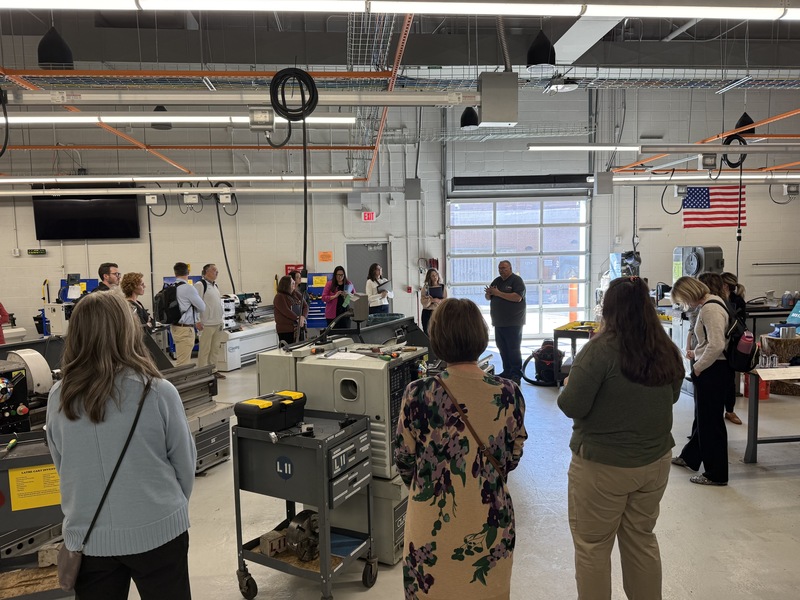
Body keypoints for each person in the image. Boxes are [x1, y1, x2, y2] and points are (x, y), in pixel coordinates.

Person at [45, 291, 196, 600]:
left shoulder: (59, 397)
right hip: (158, 529)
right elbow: (184, 464)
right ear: (128, 329)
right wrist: (165, 506)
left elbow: (62, 463)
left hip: (89, 538)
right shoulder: (156, 391)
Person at [557, 276, 685, 600]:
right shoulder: (665, 348)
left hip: (603, 465)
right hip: (655, 461)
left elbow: (572, 405)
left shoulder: (598, 350)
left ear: (609, 309)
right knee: (641, 539)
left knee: (592, 547)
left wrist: (572, 380)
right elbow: (670, 397)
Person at [395, 298, 527, 600]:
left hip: (431, 523)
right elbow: (512, 455)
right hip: (490, 520)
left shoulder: (418, 394)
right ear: (480, 334)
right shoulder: (509, 393)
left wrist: (430, 481)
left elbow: (404, 459)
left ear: (437, 338)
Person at [670, 276, 732, 486]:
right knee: (703, 419)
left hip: (713, 369)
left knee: (711, 423)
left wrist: (697, 367)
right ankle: (691, 457)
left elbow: (716, 345)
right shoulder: (711, 303)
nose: (685, 304)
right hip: (710, 367)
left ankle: (716, 473)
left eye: (683, 299)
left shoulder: (710, 309)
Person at [698, 272, 741, 425]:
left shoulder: (713, 308)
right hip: (717, 361)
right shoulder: (716, 304)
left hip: (716, 363)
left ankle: (729, 411)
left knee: (711, 417)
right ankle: (698, 443)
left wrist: (698, 367)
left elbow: (716, 344)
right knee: (705, 415)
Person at [484, 260, 526, 384]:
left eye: (504, 268)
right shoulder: (497, 281)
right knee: (502, 348)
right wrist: (489, 293)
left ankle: (516, 374)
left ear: (510, 268)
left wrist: (498, 293)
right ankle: (506, 371)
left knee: (513, 348)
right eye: (500, 268)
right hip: (499, 322)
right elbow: (488, 297)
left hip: (513, 322)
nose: (501, 270)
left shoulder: (516, 281)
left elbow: (517, 297)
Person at [194, 264, 226, 380]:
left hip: (217, 322)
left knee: (215, 349)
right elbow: (196, 303)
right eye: (214, 270)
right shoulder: (200, 285)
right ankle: (202, 372)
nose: (216, 272)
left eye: (217, 270)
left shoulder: (215, 285)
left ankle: (213, 370)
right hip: (206, 324)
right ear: (206, 271)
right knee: (204, 349)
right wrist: (197, 320)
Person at [170, 262, 205, 366]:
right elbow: (202, 307)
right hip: (185, 329)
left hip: (175, 327)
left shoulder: (172, 287)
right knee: (183, 363)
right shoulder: (188, 288)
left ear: (175, 273)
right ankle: (180, 381)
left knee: (182, 359)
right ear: (188, 272)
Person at [721, 271, 747, 404]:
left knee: (729, 378)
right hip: (727, 342)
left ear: (725, 286)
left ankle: (730, 408)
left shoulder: (735, 301)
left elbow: (734, 322)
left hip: (732, 343)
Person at [273, 275, 306, 346]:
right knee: (287, 350)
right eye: (292, 283)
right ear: (286, 285)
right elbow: (286, 311)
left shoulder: (296, 294)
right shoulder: (279, 297)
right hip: (286, 330)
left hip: (298, 328)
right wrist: (298, 318)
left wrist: (303, 317)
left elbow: (305, 306)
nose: (295, 285)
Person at [420, 268, 446, 336]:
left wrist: (437, 300)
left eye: (436, 275)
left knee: (439, 332)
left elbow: (445, 300)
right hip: (427, 312)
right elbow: (423, 301)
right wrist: (430, 300)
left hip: (438, 311)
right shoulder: (426, 287)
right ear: (429, 277)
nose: (435, 277)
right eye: (433, 276)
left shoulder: (442, 287)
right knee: (427, 332)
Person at [288, 270, 310, 341]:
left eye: (300, 277)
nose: (300, 279)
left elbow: (307, 302)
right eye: (297, 277)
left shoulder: (302, 290)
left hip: (303, 319)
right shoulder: (289, 292)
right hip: (293, 322)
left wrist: (304, 315)